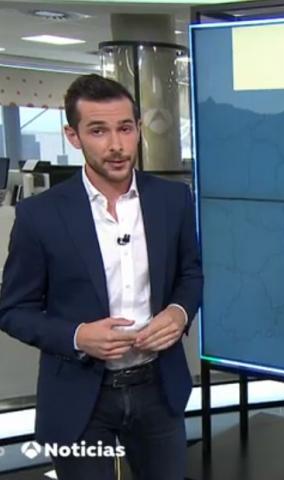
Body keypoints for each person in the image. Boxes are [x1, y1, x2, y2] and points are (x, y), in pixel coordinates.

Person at [0, 74, 203, 479]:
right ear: (72, 136)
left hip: (158, 391)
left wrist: (179, 312)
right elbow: (13, 310)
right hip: (79, 398)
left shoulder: (172, 200)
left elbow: (192, 273)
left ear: (139, 129)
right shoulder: (40, 215)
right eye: (98, 131)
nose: (116, 145)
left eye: (125, 128)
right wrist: (78, 336)